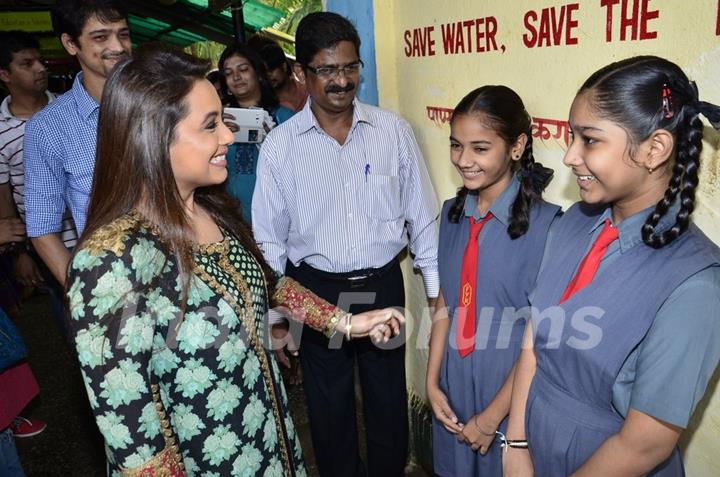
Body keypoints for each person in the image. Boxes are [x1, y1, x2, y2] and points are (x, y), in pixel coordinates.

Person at [66, 44, 403, 476]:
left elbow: (267, 282)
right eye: (210, 126)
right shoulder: (111, 262)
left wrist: (347, 324)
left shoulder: (209, 207)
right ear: (152, 134)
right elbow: (134, 442)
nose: (228, 136)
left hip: (270, 449)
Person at [504, 56, 720, 476]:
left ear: (654, 149)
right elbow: (536, 333)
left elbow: (644, 444)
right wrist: (516, 443)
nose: (569, 156)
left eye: (589, 140)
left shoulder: (697, 284)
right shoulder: (571, 226)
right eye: (571, 136)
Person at [252, 12, 440, 477]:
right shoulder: (281, 146)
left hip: (381, 284)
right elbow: (269, 238)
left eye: (350, 68)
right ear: (301, 73)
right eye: (327, 70)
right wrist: (278, 318)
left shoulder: (392, 132)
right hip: (316, 292)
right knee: (329, 402)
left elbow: (423, 214)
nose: (342, 81)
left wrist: (435, 294)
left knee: (387, 397)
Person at [426, 86, 559, 476]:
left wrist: (491, 418)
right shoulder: (451, 214)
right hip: (453, 383)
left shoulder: (549, 227)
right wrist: (432, 382)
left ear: (516, 146)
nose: (463, 160)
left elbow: (542, 338)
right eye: (455, 146)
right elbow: (445, 303)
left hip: (509, 391)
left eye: (480, 148)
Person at [24, 0, 131, 286]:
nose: (118, 46)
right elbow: (42, 227)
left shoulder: (161, 104)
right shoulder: (48, 128)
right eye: (100, 37)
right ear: (71, 44)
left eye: (123, 34)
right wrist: (84, 295)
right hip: (114, 282)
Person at [218, 43, 293, 223]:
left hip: (277, 221)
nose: (236, 77)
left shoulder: (284, 118)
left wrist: (275, 142)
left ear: (258, 74)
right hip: (233, 222)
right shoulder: (219, 121)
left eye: (243, 69)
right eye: (228, 73)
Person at [248, 35, 308, 112]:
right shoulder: (268, 108)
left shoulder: (309, 89)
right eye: (263, 72)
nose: (268, 75)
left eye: (271, 69)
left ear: (284, 66)